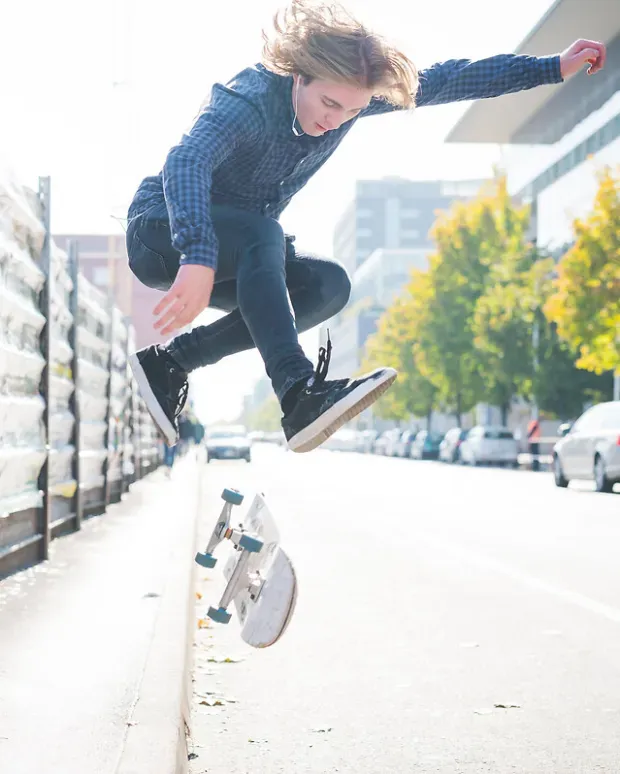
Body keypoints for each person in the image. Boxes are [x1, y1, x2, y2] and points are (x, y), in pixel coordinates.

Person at [126, 0, 606, 453]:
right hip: (161, 232)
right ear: (299, 76)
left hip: (235, 252)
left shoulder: (350, 100)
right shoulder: (248, 100)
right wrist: (197, 254)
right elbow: (186, 161)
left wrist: (550, 67)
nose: (334, 122)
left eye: (352, 112)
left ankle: (171, 362)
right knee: (262, 234)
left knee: (327, 287)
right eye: (329, 104)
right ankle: (299, 395)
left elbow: (448, 79)